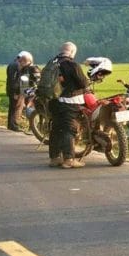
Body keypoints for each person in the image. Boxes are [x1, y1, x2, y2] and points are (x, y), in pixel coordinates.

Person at [48, 41, 89, 169]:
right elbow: (83, 83)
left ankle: (54, 158)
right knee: (69, 129)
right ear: (72, 52)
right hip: (69, 102)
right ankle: (69, 159)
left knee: (56, 128)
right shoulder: (72, 65)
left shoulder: (52, 62)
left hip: (54, 102)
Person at [5, 51, 34, 131]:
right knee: (15, 107)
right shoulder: (15, 66)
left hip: (17, 89)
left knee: (14, 107)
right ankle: (13, 125)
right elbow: (14, 80)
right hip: (15, 90)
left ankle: (11, 125)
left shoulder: (14, 64)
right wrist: (16, 92)